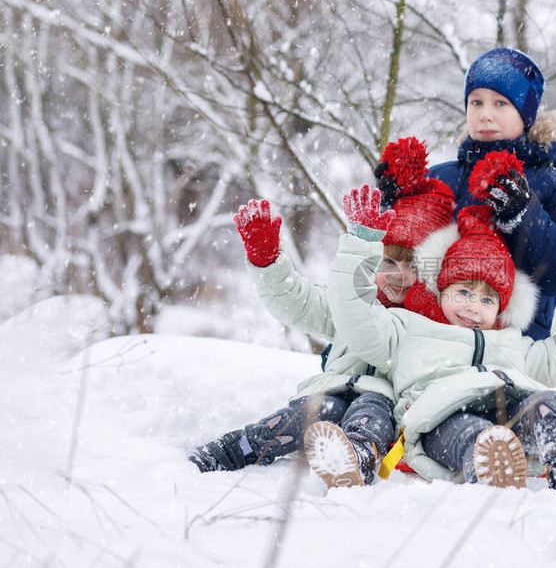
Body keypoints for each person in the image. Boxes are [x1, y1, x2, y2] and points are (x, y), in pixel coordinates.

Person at [318, 196, 556, 496]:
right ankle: (487, 465)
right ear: (441, 289)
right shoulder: (409, 330)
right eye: (463, 292)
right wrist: (361, 243)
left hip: (508, 415)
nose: (473, 306)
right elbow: (354, 313)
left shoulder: (512, 343)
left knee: (552, 403)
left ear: (501, 307)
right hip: (441, 420)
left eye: (487, 298)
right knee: (470, 430)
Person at [188, 138, 455, 489]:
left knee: (372, 406)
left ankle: (357, 458)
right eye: (388, 260)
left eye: (414, 265)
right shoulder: (353, 303)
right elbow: (298, 302)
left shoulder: (431, 325)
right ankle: (237, 447)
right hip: (333, 393)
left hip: (387, 414)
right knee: (312, 411)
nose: (399, 275)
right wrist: (267, 261)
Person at [379, 47, 556, 341]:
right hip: (420, 344)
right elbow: (397, 262)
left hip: (509, 354)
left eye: (501, 104)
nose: (485, 115)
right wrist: (393, 207)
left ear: (526, 114)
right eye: (476, 102)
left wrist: (522, 215)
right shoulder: (441, 176)